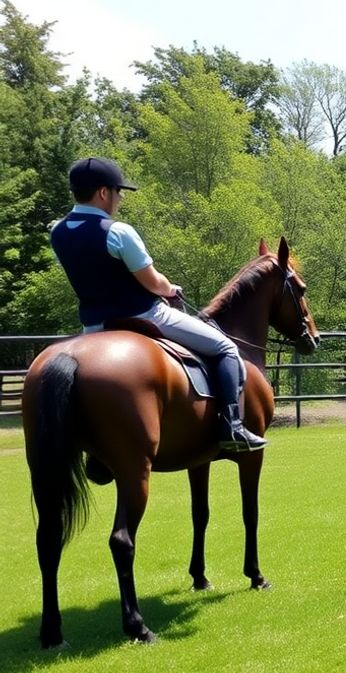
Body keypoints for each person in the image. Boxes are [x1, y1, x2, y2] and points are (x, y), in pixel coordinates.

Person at [49, 157, 266, 452]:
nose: (121, 198)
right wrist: (170, 288)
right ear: (103, 193)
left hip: (94, 326)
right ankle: (232, 427)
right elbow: (152, 283)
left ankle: (96, 451)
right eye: (118, 191)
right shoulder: (117, 231)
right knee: (226, 348)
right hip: (145, 314)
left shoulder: (57, 232)